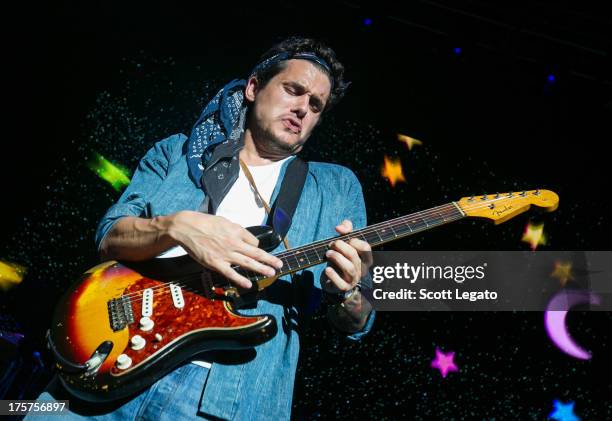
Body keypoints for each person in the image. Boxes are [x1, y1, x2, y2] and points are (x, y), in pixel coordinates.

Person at [30, 36, 375, 420]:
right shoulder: (176, 152)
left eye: (316, 106)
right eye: (293, 90)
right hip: (109, 358)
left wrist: (346, 294)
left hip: (226, 399)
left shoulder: (337, 186)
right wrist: (176, 227)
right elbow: (109, 237)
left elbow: (359, 321)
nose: (302, 109)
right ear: (254, 87)